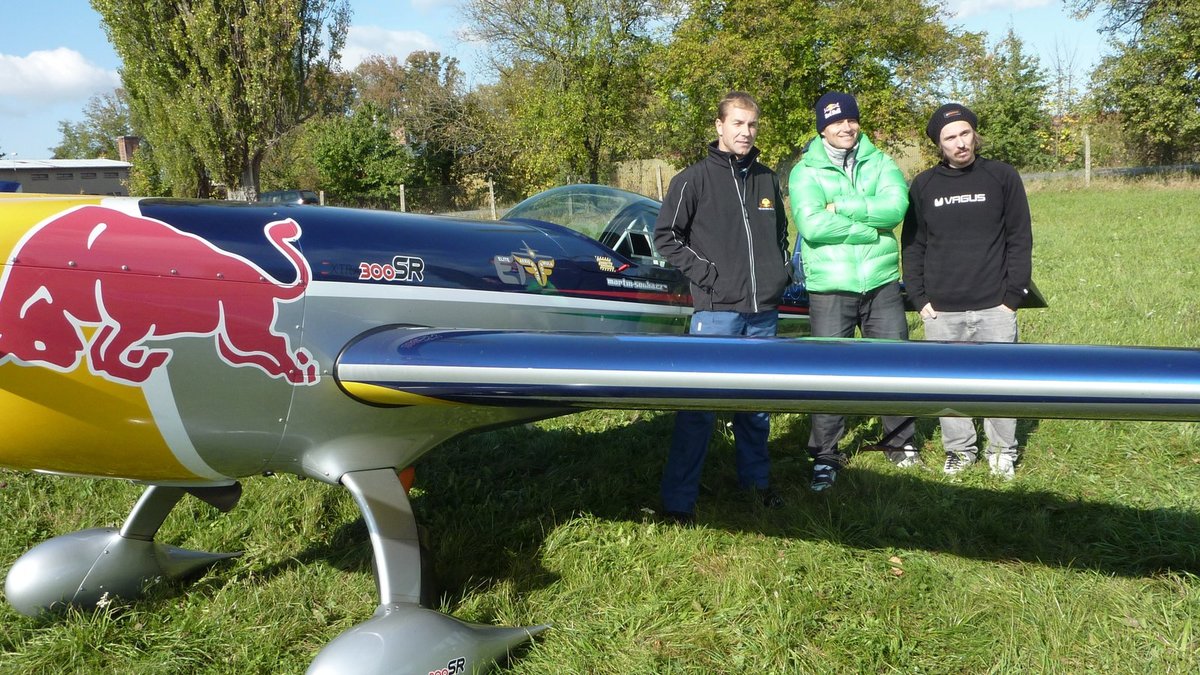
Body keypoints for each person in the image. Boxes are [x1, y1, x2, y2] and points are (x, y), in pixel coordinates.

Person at [654, 91, 792, 524]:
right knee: (698, 409)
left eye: (751, 125)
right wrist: (710, 276)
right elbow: (666, 238)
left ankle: (756, 485)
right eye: (737, 124)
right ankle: (679, 502)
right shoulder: (691, 180)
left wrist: (777, 274)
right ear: (719, 126)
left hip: (763, 312)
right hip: (716, 312)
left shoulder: (767, 180)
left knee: (756, 407)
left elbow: (779, 236)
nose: (745, 132)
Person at [788, 91, 918, 492]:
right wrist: (867, 226)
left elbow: (895, 208)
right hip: (831, 287)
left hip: (881, 283)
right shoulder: (805, 171)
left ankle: (900, 442)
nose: (845, 127)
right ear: (822, 128)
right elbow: (811, 226)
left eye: (850, 120)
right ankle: (826, 454)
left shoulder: (880, 162)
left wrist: (842, 207)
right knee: (829, 374)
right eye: (835, 122)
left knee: (894, 364)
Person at [902, 103, 1033, 479]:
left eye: (964, 133)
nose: (960, 143)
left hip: (995, 306)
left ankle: (1002, 451)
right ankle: (959, 450)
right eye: (950, 138)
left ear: (974, 134)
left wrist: (1013, 299)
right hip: (942, 310)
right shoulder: (924, 185)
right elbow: (913, 245)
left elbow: (1019, 238)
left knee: (1001, 383)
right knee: (949, 384)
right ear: (938, 145)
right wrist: (920, 299)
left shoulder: (1002, 177)